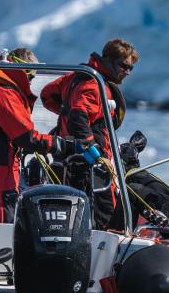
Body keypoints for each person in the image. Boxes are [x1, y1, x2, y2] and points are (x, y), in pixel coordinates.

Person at [0, 48, 73, 222]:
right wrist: (60, 144)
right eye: (31, 76)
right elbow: (26, 136)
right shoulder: (2, 92)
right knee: (1, 217)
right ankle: (0, 249)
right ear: (24, 71)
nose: (30, 82)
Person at [41, 38, 138, 228]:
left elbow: (48, 94)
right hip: (90, 164)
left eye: (130, 68)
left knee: (72, 208)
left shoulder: (77, 76)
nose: (126, 72)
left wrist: (64, 114)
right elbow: (79, 114)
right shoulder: (95, 85)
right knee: (105, 212)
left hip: (69, 156)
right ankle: (104, 249)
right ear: (108, 60)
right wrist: (91, 146)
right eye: (123, 66)